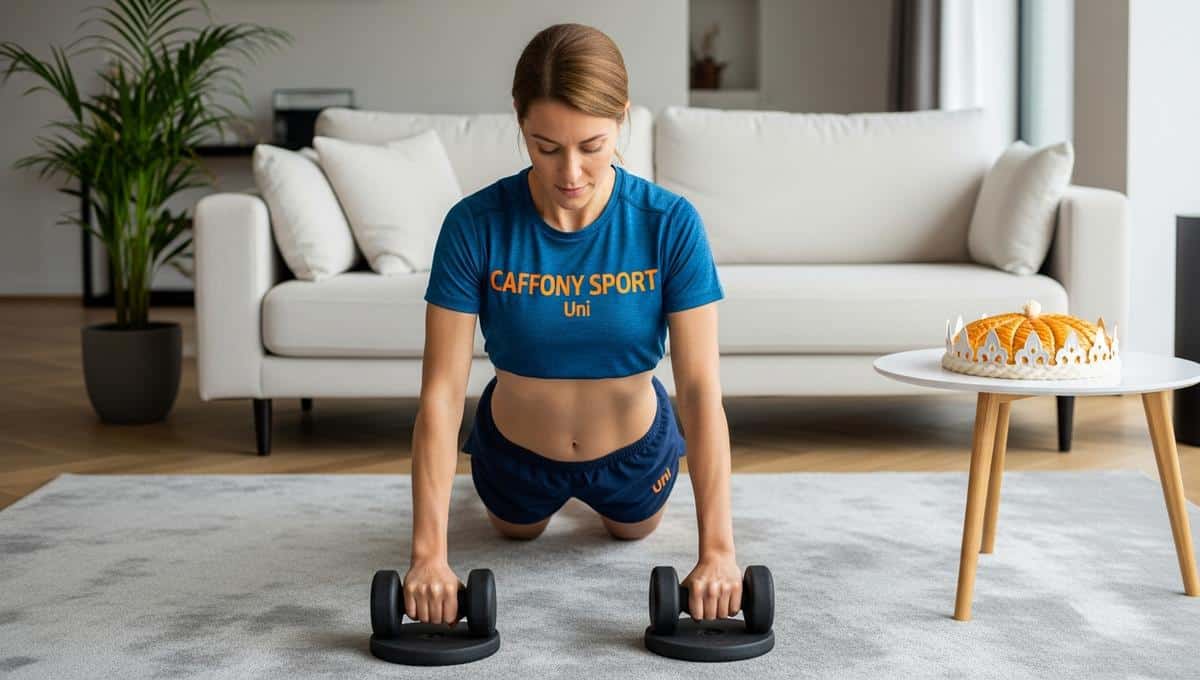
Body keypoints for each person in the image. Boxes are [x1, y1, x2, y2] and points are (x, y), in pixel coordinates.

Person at [405, 23, 739, 630]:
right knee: (514, 532)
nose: (572, 172)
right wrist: (428, 556)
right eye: (546, 146)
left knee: (631, 531)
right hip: (514, 454)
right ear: (518, 120)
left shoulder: (670, 223)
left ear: (622, 119)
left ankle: (626, 497)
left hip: (636, 453)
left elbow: (698, 390)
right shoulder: (473, 225)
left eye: (592, 145)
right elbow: (442, 394)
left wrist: (718, 552)